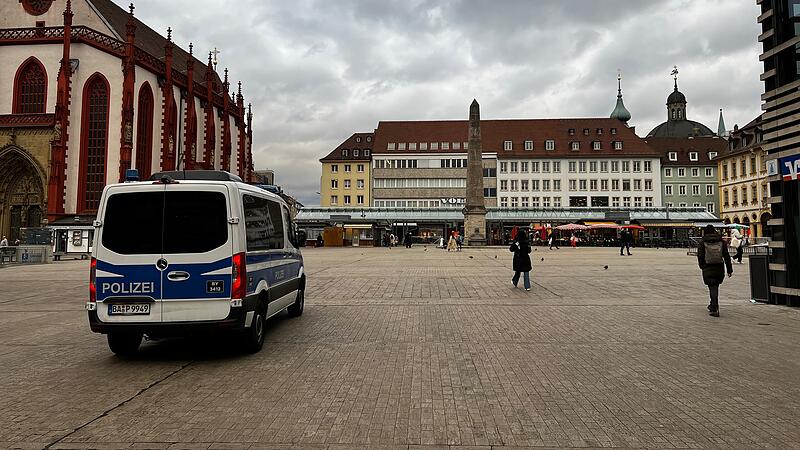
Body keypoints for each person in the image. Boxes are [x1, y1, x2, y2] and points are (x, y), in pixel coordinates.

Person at [697, 225, 734, 317]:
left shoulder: (703, 242)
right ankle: (712, 304)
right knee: (715, 285)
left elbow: (700, 255)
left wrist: (702, 266)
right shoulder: (721, 241)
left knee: (712, 286)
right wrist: (729, 269)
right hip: (719, 266)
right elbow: (726, 256)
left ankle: (714, 306)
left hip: (708, 266)